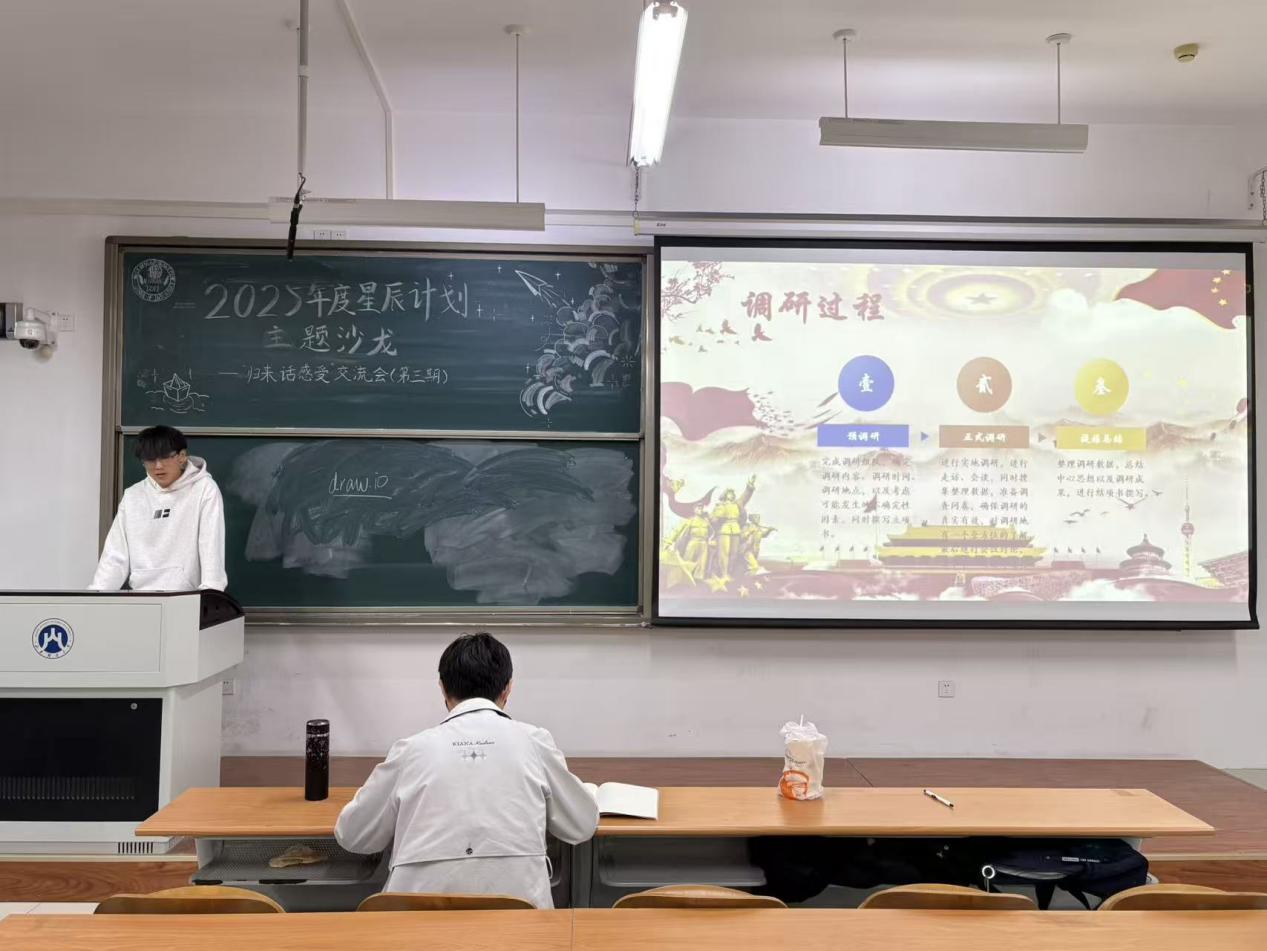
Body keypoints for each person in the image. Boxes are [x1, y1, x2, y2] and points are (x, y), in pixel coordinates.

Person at [334, 633, 599, 908]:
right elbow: (581, 825)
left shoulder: (411, 750)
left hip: (416, 925)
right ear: (508, 689)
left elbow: (353, 835)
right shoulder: (534, 742)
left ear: (442, 688)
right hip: (519, 925)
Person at [90, 425, 227, 592]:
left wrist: (211, 593)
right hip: (141, 598)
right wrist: (97, 593)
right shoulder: (133, 495)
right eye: (150, 460)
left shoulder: (204, 489)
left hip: (187, 598)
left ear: (182, 456)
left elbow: (211, 545)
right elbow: (115, 554)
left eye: (164, 457)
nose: (158, 466)